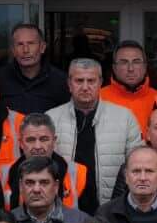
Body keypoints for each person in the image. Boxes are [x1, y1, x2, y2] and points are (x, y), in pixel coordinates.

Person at [49, 57, 142, 214]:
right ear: (69, 84)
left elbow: (137, 166)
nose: (85, 87)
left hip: (112, 211)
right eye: (79, 81)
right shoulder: (51, 119)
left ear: (100, 83)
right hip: (63, 211)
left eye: (91, 81)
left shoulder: (125, 118)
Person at [1, 112, 86, 208]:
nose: (37, 146)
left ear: (54, 141)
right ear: (20, 143)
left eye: (44, 139)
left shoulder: (79, 173)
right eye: (31, 140)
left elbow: (90, 220)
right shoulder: (3, 174)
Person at [0, 21, 69, 115]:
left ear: (42, 47)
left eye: (31, 43)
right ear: (13, 50)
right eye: (20, 44)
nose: (25, 50)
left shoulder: (61, 81)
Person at [100, 39, 157, 134]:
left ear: (145, 67)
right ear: (114, 68)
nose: (130, 68)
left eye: (136, 62)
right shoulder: (98, 98)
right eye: (123, 62)